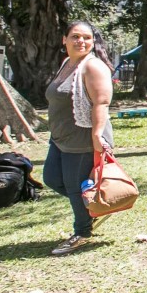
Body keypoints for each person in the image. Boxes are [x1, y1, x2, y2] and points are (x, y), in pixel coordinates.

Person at [42, 20, 115, 256]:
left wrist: (96, 135)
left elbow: (101, 102)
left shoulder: (92, 66)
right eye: (75, 36)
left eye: (86, 37)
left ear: (93, 42)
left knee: (74, 187)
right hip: (60, 137)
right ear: (64, 39)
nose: (81, 41)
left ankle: (82, 232)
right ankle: (95, 206)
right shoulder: (67, 63)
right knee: (52, 179)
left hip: (83, 137)